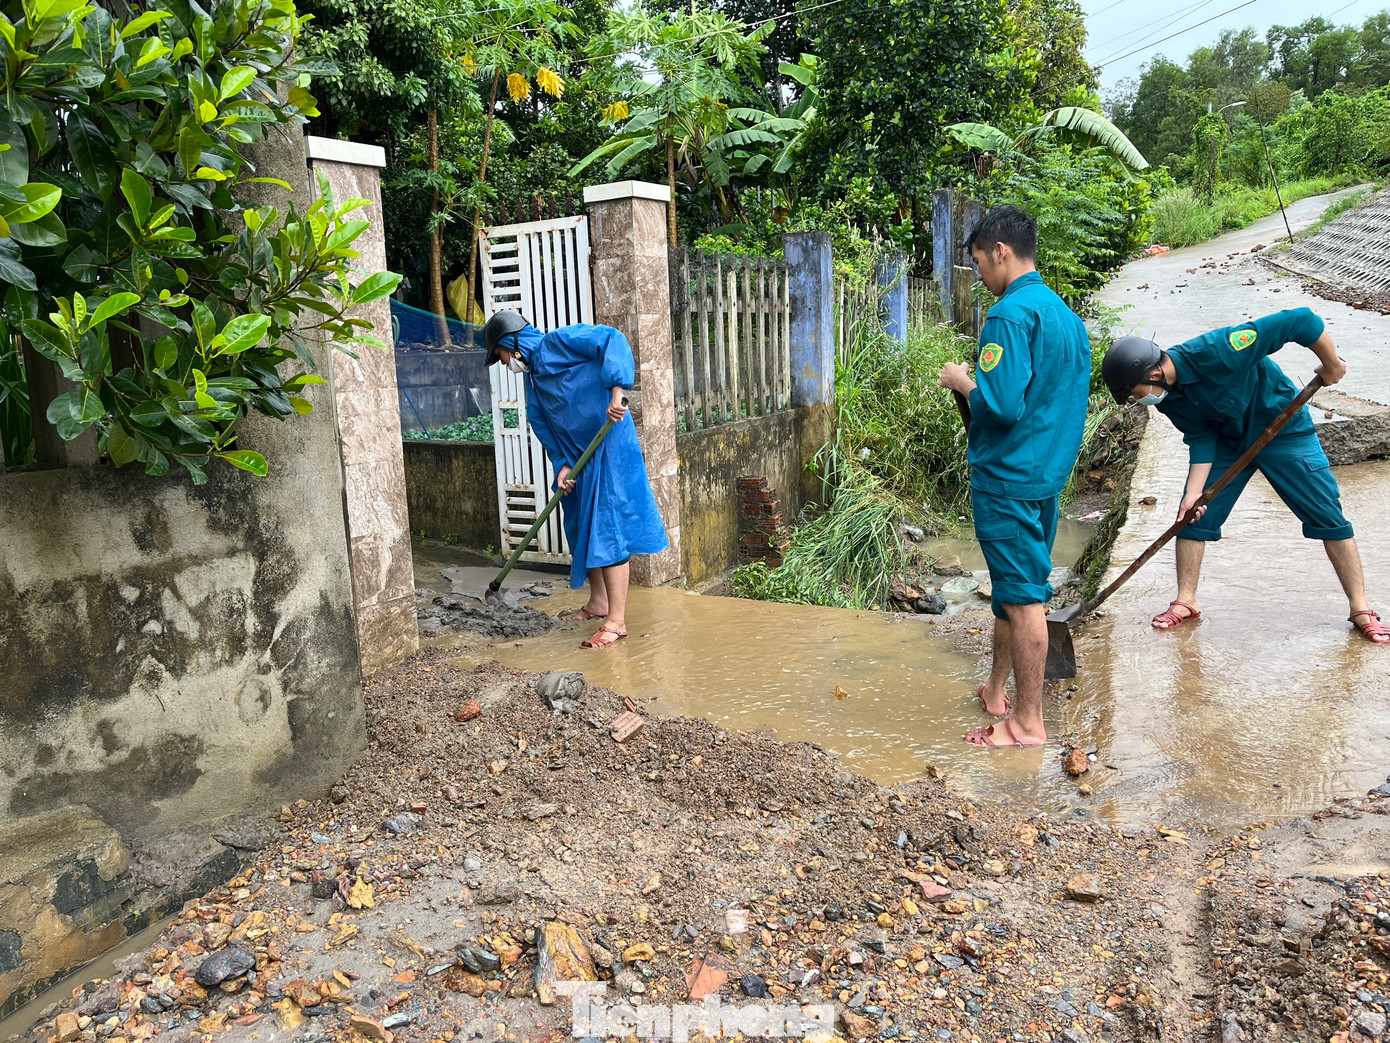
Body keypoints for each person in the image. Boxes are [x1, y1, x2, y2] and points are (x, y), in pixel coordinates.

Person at [1101, 310, 1388, 643]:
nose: (1141, 400)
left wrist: (1332, 364)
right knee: (1192, 518)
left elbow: (1301, 321)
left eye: (1137, 392)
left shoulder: (1219, 350)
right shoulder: (1168, 398)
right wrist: (1193, 494)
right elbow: (1201, 437)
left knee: (1328, 517)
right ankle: (1186, 602)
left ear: (1153, 372)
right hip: (1229, 443)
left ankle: (1361, 607)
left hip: (1283, 430)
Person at [937, 205, 1092, 748]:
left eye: (979, 262)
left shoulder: (1007, 316)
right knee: (1011, 589)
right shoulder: (1066, 319)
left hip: (1007, 480)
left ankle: (1027, 723)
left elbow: (1000, 407)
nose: (979, 274)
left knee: (1024, 597)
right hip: (1046, 477)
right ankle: (996, 690)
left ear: (1001, 252)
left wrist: (962, 381)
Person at [483, 310, 669, 649]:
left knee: (606, 526)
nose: (504, 362)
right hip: (578, 457)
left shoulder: (560, 342)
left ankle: (616, 621)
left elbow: (611, 338)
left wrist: (617, 390)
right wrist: (562, 464)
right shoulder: (534, 378)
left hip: (608, 443)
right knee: (580, 523)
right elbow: (542, 424)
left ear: (512, 340)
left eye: (500, 354)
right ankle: (598, 603)